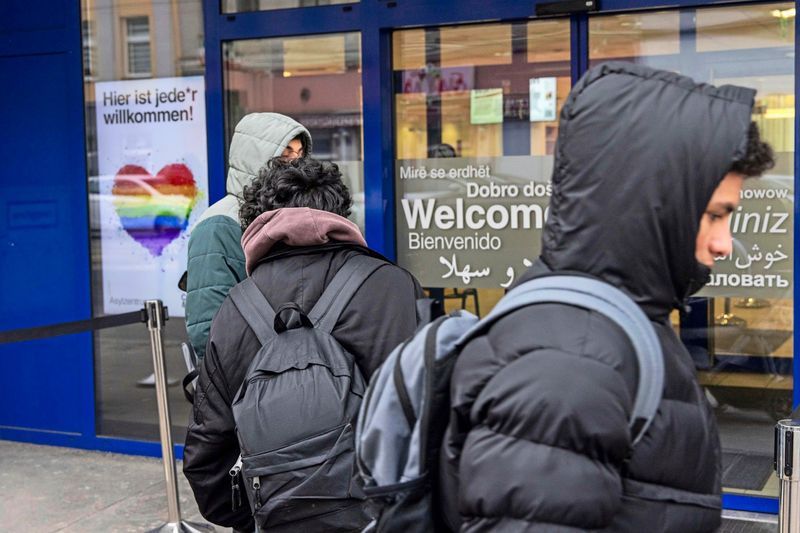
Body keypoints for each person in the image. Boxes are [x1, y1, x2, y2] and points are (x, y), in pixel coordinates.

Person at [440, 62, 774, 532]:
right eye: (716, 215)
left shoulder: (615, 323)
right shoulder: (568, 363)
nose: (724, 242)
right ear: (656, 203)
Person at [183, 157, 422, 532]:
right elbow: (432, 422)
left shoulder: (235, 309)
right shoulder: (394, 287)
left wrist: (265, 515)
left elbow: (208, 462)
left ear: (255, 222)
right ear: (343, 213)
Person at [185, 112, 311, 362]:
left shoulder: (289, 216)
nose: (295, 165)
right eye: (285, 154)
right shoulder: (220, 224)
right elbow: (208, 329)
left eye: (299, 155)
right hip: (249, 381)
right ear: (256, 158)